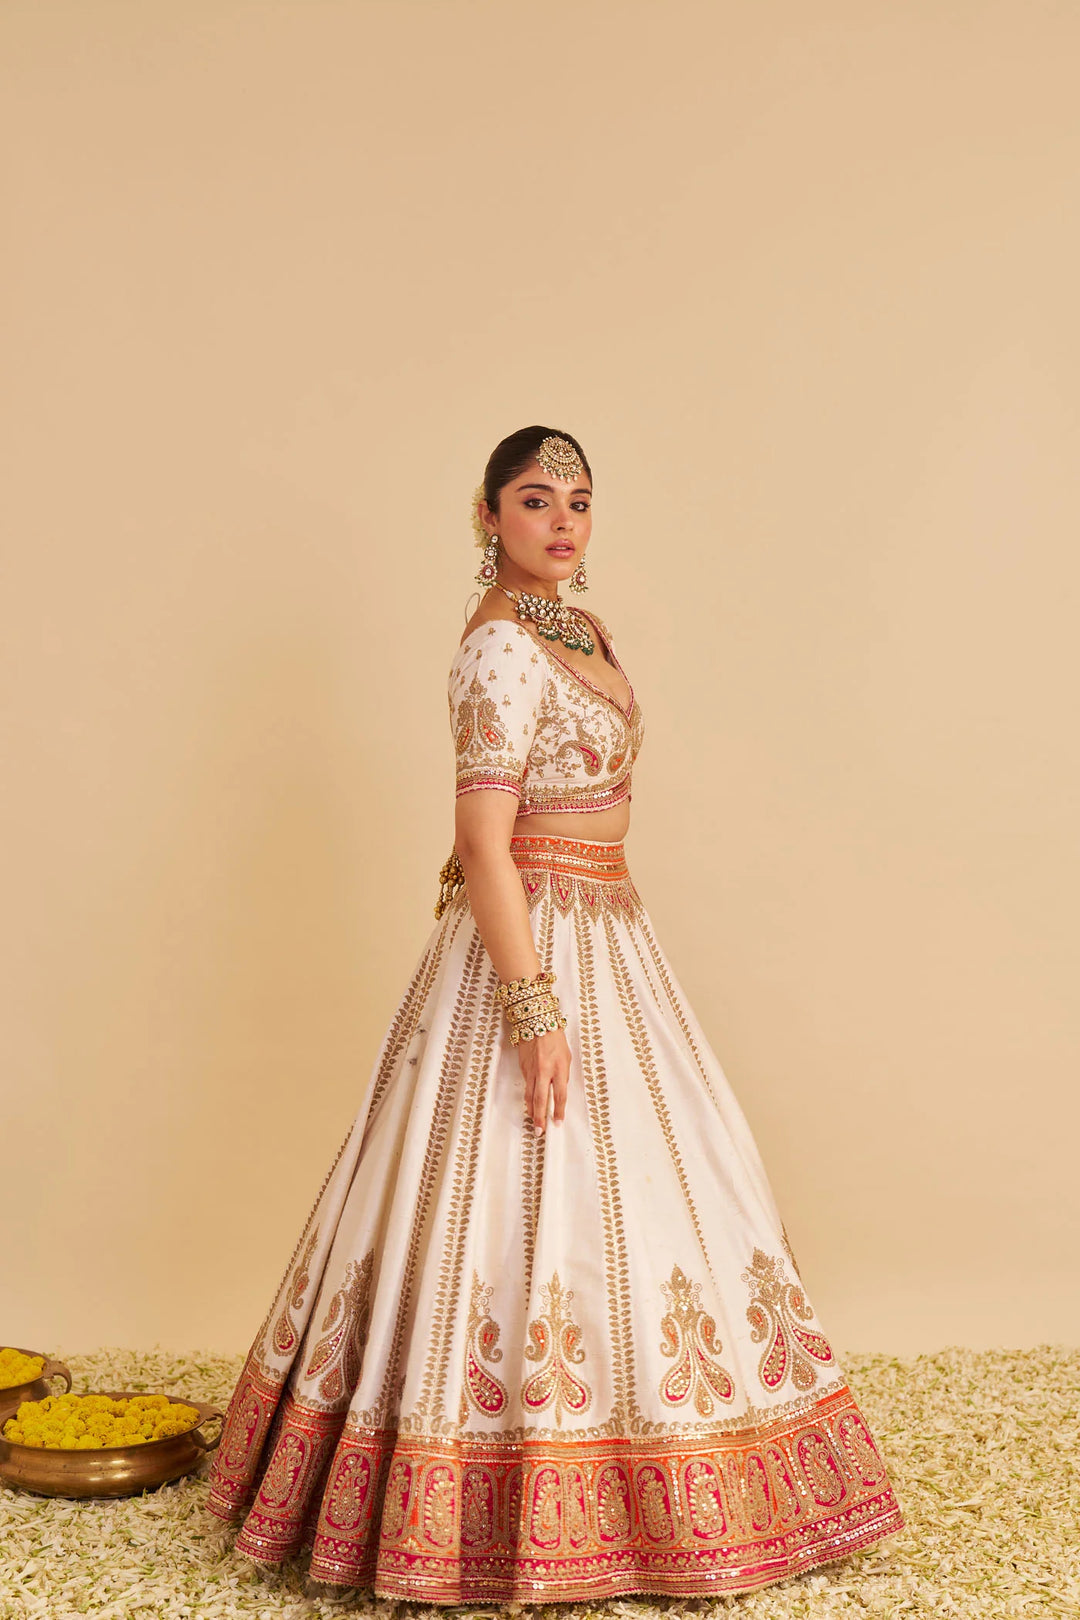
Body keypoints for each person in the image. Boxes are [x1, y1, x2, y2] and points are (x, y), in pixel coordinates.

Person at [205, 425, 904, 1603]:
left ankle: (664, 1479)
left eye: (580, 501)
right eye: (536, 501)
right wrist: (533, 1010)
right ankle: (487, 1496)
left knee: (668, 1190)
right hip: (536, 942)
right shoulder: (497, 650)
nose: (564, 522)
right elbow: (484, 838)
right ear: (486, 518)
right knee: (523, 1186)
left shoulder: (572, 629)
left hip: (613, 927)